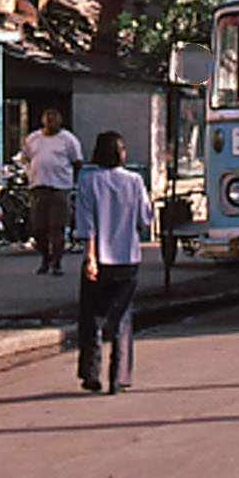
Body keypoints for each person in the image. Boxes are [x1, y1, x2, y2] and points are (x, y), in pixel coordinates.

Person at [75, 130, 153, 395]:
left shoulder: (87, 181)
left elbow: (86, 225)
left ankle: (91, 374)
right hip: (127, 258)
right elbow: (145, 219)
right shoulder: (135, 181)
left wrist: (90, 257)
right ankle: (119, 376)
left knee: (91, 318)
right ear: (121, 154)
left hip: (98, 259)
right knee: (122, 319)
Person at [20, 107, 83, 276]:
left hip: (59, 188)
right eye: (47, 117)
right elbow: (25, 157)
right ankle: (44, 257)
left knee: (57, 227)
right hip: (38, 186)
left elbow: (77, 161)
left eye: (54, 117)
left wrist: (68, 179)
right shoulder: (33, 138)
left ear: (60, 120)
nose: (51, 120)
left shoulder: (68, 140)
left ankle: (57, 262)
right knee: (38, 227)